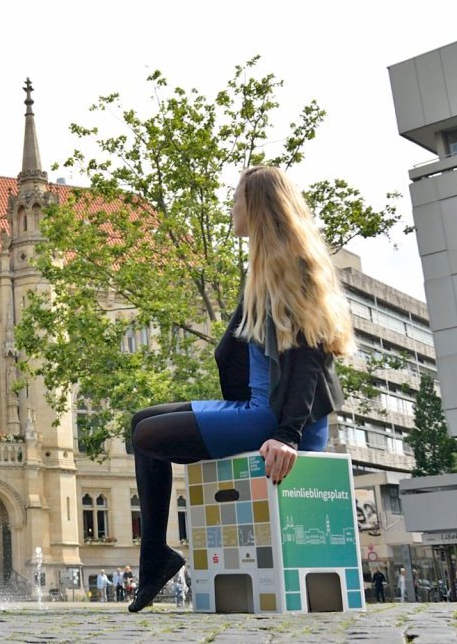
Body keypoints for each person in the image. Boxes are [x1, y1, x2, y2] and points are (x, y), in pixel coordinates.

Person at [127, 165, 352, 613]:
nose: (231, 208)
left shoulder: (293, 264)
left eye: (236, 200)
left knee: (147, 439)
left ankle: (155, 559)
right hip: (255, 405)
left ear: (257, 206)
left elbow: (310, 355)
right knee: (141, 422)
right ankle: (155, 557)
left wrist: (288, 434)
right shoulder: (264, 266)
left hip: (276, 418)